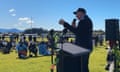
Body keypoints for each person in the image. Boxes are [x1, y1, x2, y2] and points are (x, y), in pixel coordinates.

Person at [59, 8, 93, 72]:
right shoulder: (84, 21)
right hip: (83, 47)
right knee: (81, 66)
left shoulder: (85, 21)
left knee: (83, 67)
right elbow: (80, 33)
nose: (76, 16)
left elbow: (78, 32)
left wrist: (65, 24)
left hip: (84, 48)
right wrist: (74, 27)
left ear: (82, 13)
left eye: (77, 14)